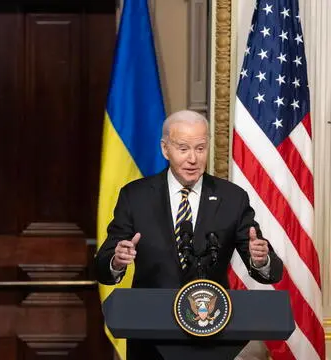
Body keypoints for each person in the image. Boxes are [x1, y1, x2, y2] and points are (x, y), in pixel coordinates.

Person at [94, 110, 283, 360]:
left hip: (211, 333)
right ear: (165, 149)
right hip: (150, 335)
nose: (193, 158)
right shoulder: (135, 196)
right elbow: (103, 267)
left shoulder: (232, 198)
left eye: (200, 148)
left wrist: (262, 260)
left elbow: (267, 265)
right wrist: (116, 261)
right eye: (183, 149)